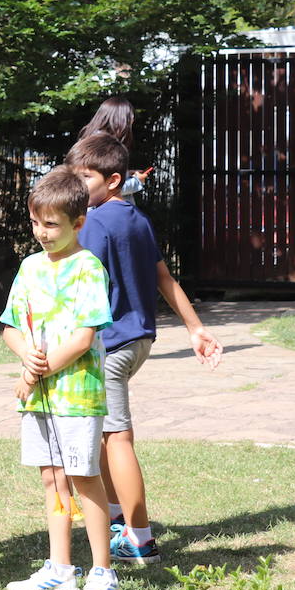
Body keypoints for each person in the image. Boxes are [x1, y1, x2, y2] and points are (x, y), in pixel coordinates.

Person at [66, 133, 223, 565]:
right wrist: (196, 329)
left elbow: (79, 281)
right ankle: (118, 522)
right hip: (138, 342)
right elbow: (165, 278)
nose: (78, 187)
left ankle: (140, 539)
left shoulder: (94, 223)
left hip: (110, 346)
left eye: (85, 178)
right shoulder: (136, 218)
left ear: (113, 180)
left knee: (117, 439)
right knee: (102, 434)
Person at [0, 166, 118, 590]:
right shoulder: (29, 268)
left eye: (52, 224)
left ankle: (103, 572)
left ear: (78, 223)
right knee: (53, 480)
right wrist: (23, 356)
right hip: (39, 401)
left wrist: (36, 371)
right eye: (36, 222)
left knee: (84, 478)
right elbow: (11, 326)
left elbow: (84, 336)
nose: (42, 233)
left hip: (78, 396)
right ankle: (60, 568)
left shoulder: (88, 268)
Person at [77, 95, 150, 199]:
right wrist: (137, 182)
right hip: (106, 211)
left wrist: (126, 173)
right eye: (130, 117)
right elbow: (105, 188)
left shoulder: (91, 139)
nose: (132, 121)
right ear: (121, 119)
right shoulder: (105, 145)